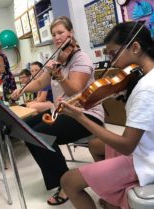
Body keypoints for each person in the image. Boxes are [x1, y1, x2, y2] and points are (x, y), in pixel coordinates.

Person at [60, 21, 154, 209]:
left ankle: (115, 193)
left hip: (153, 161)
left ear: (135, 48)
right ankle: (112, 197)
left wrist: (80, 117)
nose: (112, 62)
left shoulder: (147, 88)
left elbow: (127, 146)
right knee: (94, 145)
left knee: (68, 181)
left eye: (114, 53)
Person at [11, 16, 104, 205]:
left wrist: (59, 76)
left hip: (85, 114)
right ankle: (60, 178)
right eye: (54, 34)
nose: (57, 37)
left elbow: (74, 89)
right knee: (25, 129)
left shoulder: (81, 58)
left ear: (71, 33)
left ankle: (66, 183)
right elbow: (40, 82)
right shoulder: (57, 59)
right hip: (63, 112)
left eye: (61, 32)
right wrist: (22, 89)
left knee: (40, 135)